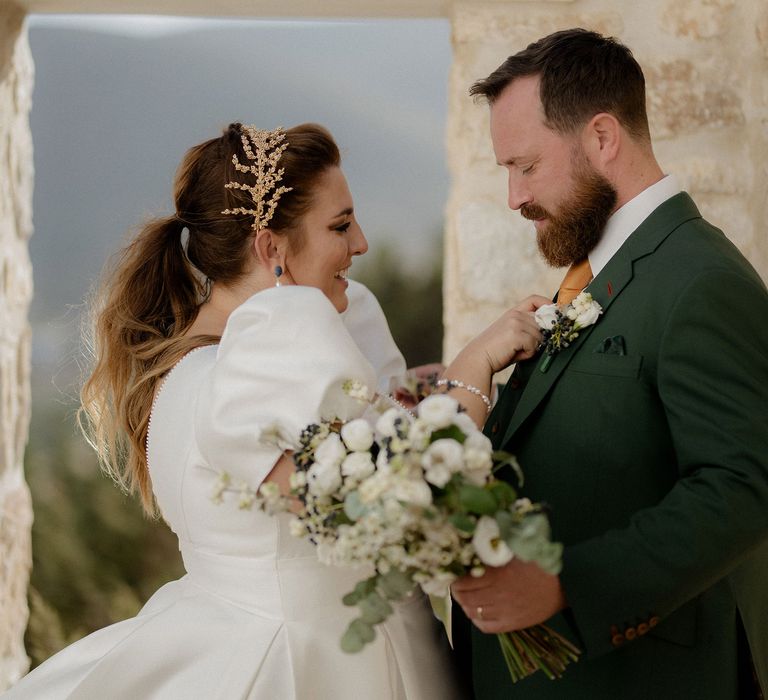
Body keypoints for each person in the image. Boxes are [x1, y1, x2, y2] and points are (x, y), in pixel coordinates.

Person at [4, 122, 542, 699]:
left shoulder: (183, 367)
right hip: (317, 667)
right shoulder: (270, 351)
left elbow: (334, 470)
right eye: (339, 225)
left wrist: (407, 406)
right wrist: (474, 370)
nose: (360, 243)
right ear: (271, 247)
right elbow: (383, 517)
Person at [450, 28, 768, 699]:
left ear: (601, 138)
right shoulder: (596, 273)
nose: (513, 198)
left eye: (525, 167)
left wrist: (568, 583)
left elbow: (743, 486)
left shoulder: (702, 280)